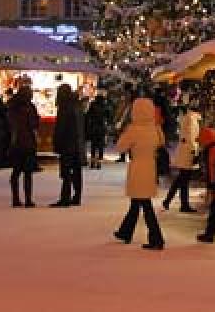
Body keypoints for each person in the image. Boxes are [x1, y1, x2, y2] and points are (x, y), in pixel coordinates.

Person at [113, 97, 165, 250]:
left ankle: (156, 238)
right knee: (137, 203)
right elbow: (161, 142)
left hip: (137, 169)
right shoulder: (154, 128)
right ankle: (125, 231)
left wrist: (123, 132)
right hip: (150, 169)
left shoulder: (134, 129)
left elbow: (120, 147)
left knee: (144, 205)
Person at [51, 84, 84, 207]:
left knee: (66, 172)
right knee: (76, 171)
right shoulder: (77, 105)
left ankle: (65, 197)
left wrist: (57, 143)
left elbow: (61, 128)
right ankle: (76, 196)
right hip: (77, 143)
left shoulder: (65, 107)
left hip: (67, 144)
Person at [163, 105, 200, 212]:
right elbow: (191, 137)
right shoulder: (192, 119)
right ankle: (183, 204)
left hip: (185, 151)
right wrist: (194, 152)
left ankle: (170, 201)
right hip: (188, 152)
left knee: (181, 179)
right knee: (184, 179)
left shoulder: (187, 118)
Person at [7, 86, 40, 208]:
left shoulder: (13, 107)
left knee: (16, 172)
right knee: (27, 172)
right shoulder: (29, 107)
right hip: (27, 143)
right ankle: (28, 199)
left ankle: (16, 198)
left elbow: (11, 125)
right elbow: (34, 124)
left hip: (17, 143)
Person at [85, 93, 110, 170]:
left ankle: (92, 163)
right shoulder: (105, 106)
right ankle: (99, 163)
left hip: (94, 128)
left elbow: (88, 115)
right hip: (102, 128)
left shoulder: (93, 105)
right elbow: (109, 116)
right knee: (100, 146)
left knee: (93, 146)